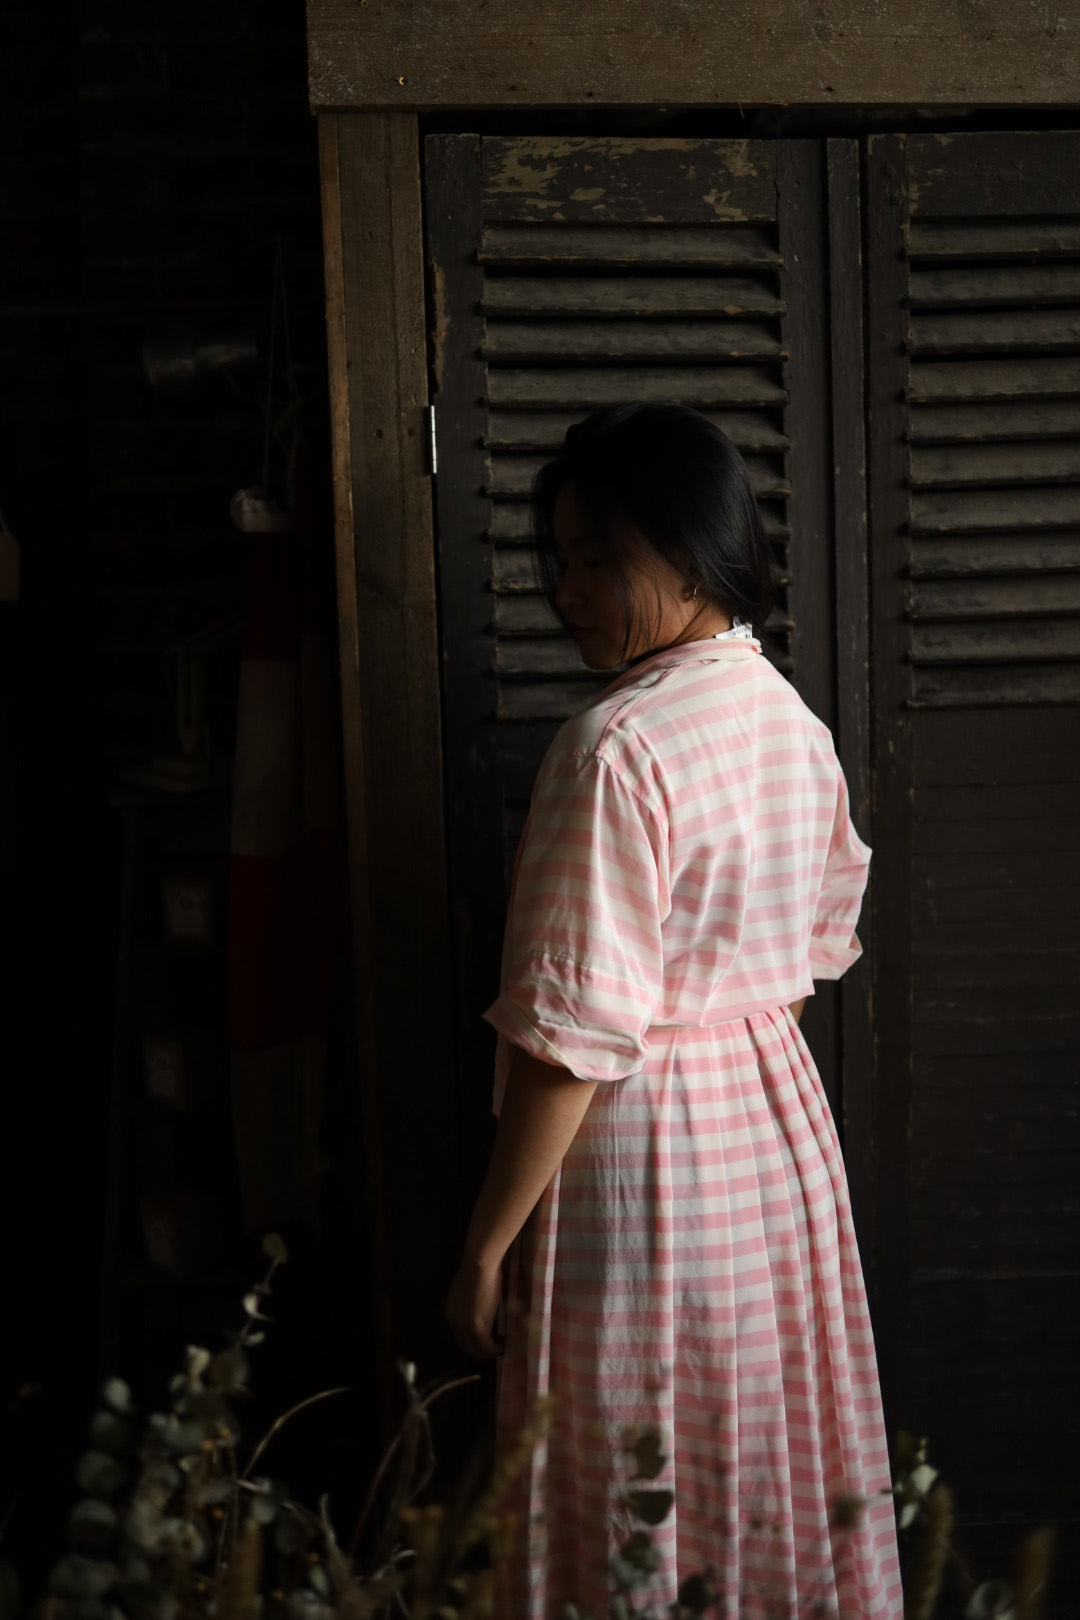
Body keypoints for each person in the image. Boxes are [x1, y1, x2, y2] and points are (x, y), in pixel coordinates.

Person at [445, 403, 903, 1618]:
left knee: (639, 1468)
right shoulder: (790, 726)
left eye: (599, 555)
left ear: (691, 547)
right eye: (561, 561)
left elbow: (571, 1041)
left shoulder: (613, 750)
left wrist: (485, 1250)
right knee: (757, 1453)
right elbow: (809, 951)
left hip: (642, 1154)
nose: (567, 588)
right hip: (773, 1138)